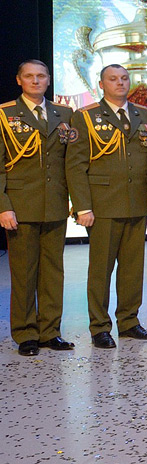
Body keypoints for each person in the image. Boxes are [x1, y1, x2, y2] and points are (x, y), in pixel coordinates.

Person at [65, 64, 147, 348]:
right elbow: (76, 166)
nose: (120, 83)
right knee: (101, 270)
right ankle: (99, 327)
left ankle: (129, 321)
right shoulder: (86, 117)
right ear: (101, 84)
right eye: (113, 79)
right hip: (102, 205)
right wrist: (82, 207)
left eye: (124, 78)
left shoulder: (146, 115)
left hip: (137, 203)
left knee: (133, 269)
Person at [0, 60, 74, 356]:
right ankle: (26, 333)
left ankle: (50, 331)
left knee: (53, 272)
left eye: (40, 76)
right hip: (20, 205)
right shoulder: (5, 115)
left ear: (48, 80)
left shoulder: (64, 114)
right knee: (24, 273)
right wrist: (4, 206)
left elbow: (71, 161)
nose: (35, 81)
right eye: (29, 76)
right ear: (19, 80)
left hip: (55, 204)